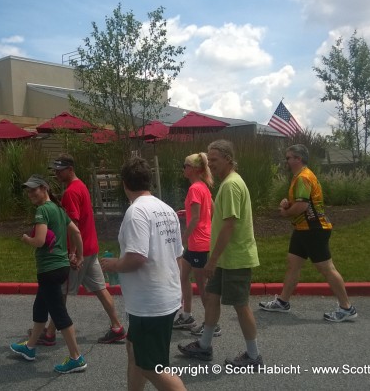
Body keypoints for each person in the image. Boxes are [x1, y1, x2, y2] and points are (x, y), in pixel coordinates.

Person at [100, 157, 186, 391]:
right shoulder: (166, 209)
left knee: (151, 367)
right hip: (162, 295)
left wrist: (113, 264)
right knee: (133, 350)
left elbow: (137, 257)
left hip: (150, 303)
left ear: (124, 184)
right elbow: (178, 254)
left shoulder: (136, 212)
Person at [178, 140, 263, 369]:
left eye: (214, 160)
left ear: (228, 158)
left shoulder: (231, 185)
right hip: (226, 258)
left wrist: (212, 260)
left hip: (235, 258)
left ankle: (254, 356)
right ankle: (204, 346)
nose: (211, 164)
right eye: (209, 159)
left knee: (240, 305)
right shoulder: (225, 185)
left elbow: (229, 226)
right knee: (213, 298)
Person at [259, 144, 357, 322]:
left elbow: (302, 206)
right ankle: (283, 302)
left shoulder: (303, 177)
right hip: (303, 229)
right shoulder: (301, 176)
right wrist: (288, 204)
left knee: (326, 268)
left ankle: (347, 307)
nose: (286, 161)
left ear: (298, 158)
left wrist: (285, 212)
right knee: (293, 264)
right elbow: (301, 202)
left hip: (314, 230)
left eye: (289, 158)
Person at [38, 154, 125, 345]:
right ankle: (117, 327)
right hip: (91, 248)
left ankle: (50, 334)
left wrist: (73, 254)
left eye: (60, 170)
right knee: (101, 289)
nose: (56, 173)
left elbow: (73, 225)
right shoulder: (81, 186)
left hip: (80, 251)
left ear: (70, 169)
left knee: (60, 292)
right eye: (55, 170)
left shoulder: (70, 192)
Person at [11, 174, 87, 374]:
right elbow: (76, 233)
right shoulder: (58, 209)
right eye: (28, 190)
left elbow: (40, 241)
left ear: (44, 188)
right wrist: (78, 256)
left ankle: (76, 358)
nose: (30, 194)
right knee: (40, 307)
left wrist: (27, 238)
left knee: (59, 314)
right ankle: (29, 348)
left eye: (34, 189)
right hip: (59, 268)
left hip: (49, 269)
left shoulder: (43, 210)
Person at [174, 153, 221, 337]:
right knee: (184, 276)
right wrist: (187, 211)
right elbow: (210, 209)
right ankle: (186, 316)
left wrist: (183, 239)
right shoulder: (203, 187)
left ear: (194, 169)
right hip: (200, 241)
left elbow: (196, 218)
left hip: (198, 243)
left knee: (203, 286)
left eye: (185, 165)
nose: (183, 168)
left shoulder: (195, 188)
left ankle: (212, 325)